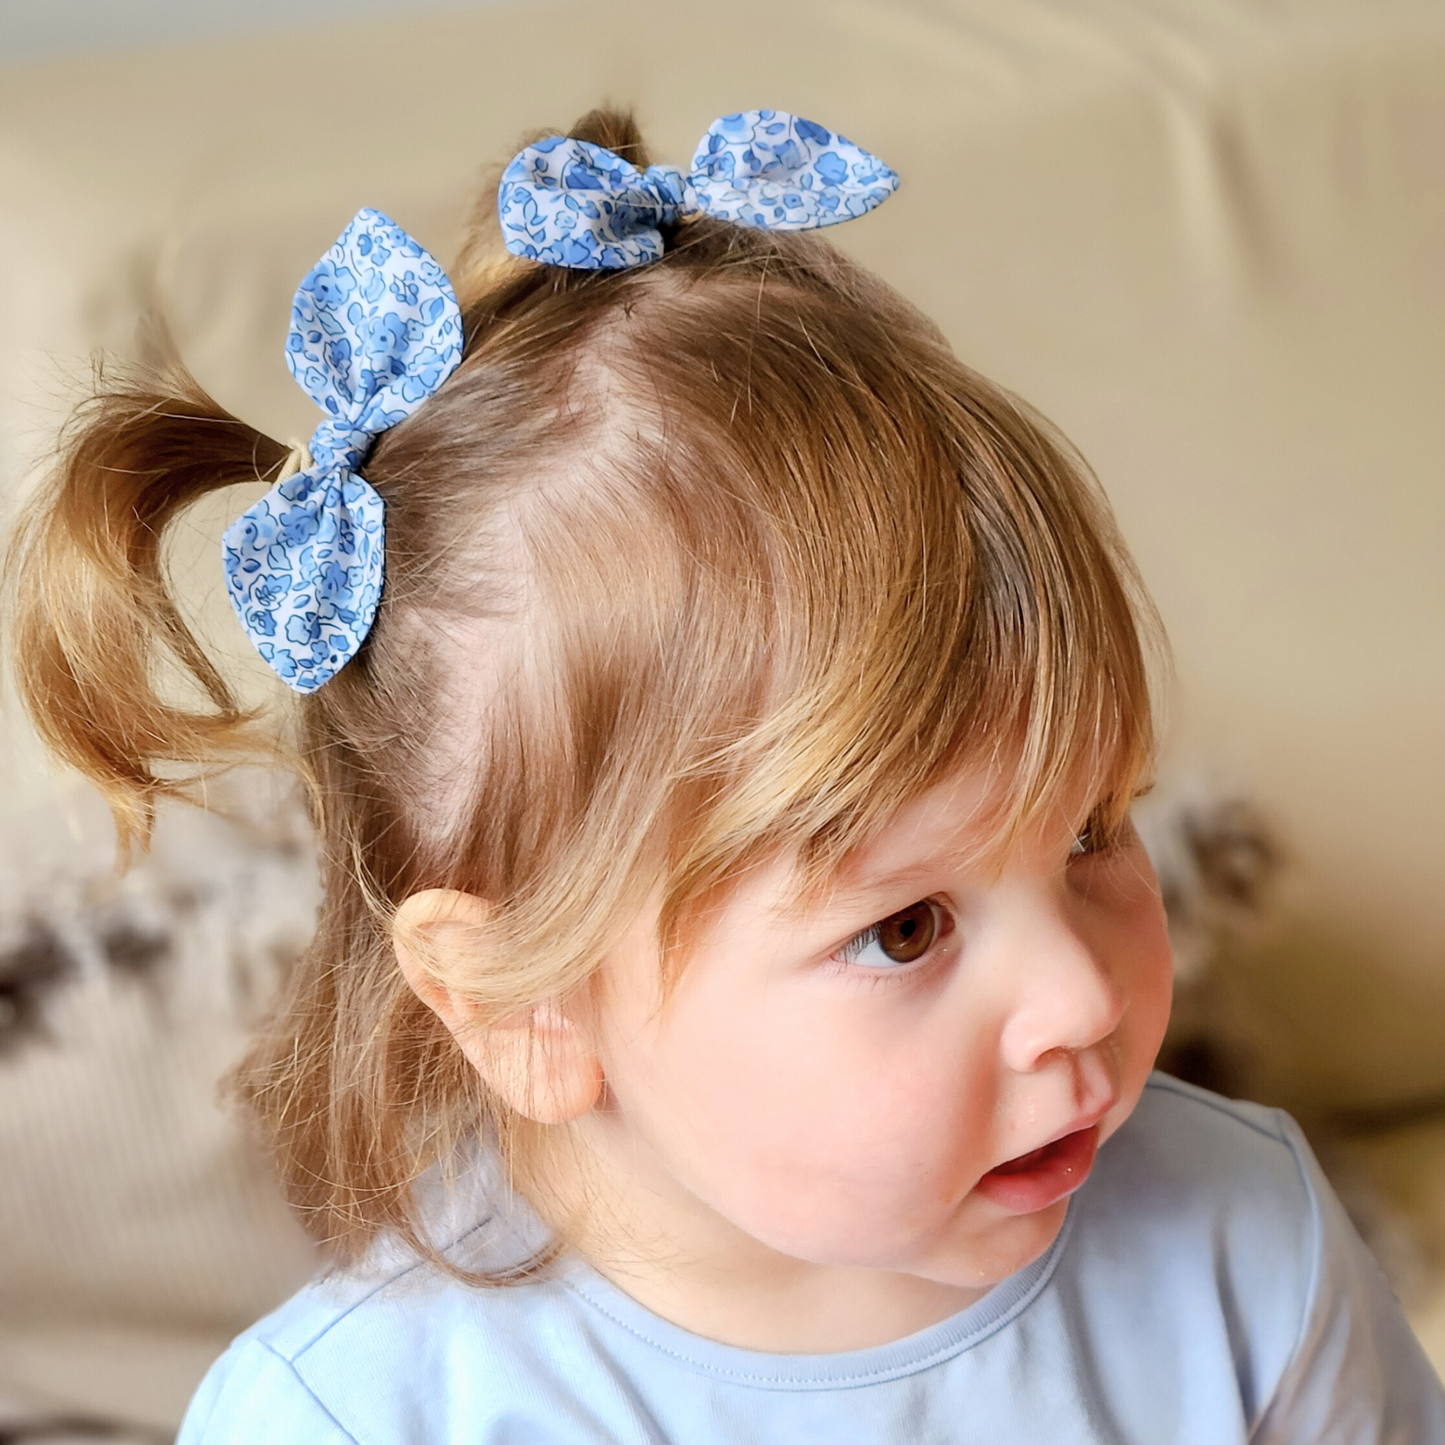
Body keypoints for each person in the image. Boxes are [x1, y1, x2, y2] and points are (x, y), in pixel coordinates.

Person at [6, 106, 1441, 1444]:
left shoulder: (1248, 1256)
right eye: (905, 926)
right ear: (525, 1001)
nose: (1083, 994)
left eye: (1091, 831)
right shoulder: (362, 1418)